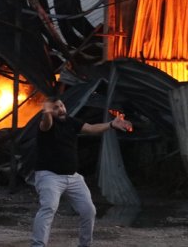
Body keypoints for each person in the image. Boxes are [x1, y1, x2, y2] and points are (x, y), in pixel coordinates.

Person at [31, 96, 132, 247]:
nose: (61, 109)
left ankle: (85, 244)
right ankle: (38, 245)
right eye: (56, 108)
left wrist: (111, 124)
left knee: (89, 210)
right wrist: (46, 112)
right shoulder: (46, 124)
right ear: (50, 111)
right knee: (49, 207)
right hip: (49, 176)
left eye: (61, 106)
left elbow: (91, 129)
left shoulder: (71, 121)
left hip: (73, 177)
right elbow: (46, 124)